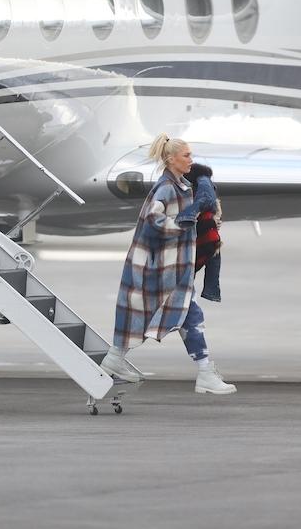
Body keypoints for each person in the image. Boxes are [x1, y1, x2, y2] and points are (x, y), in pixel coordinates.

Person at [101, 133, 236, 395]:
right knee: (187, 316)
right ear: (172, 159)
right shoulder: (166, 188)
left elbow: (185, 220)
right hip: (161, 269)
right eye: (186, 155)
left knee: (166, 316)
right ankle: (205, 373)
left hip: (172, 269)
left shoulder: (181, 186)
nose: (191, 160)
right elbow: (154, 221)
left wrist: (203, 223)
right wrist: (183, 224)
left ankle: (115, 358)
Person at [182, 163, 222, 302]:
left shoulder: (201, 181)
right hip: (205, 236)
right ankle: (210, 291)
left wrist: (187, 216)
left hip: (200, 236)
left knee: (184, 290)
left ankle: (207, 292)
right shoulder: (204, 182)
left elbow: (206, 201)